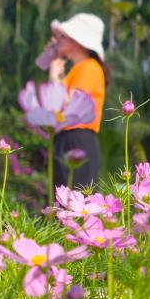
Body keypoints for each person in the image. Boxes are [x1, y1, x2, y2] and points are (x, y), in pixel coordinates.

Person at [45, 13, 106, 188]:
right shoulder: (76, 70)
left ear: (78, 41)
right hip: (65, 137)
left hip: (77, 139)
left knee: (75, 199)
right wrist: (55, 69)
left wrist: (54, 77)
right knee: (61, 199)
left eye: (63, 36)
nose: (59, 40)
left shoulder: (90, 68)